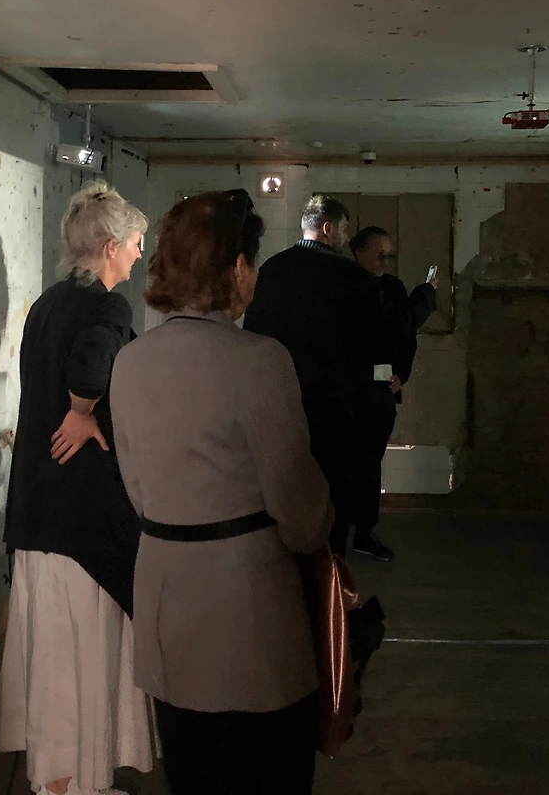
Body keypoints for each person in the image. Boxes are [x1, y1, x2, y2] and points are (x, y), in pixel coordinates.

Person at [110, 190, 334, 795]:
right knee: (266, 773)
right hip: (246, 610)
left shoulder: (130, 361)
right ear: (236, 268)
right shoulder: (259, 360)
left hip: (164, 593)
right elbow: (300, 511)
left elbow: (137, 490)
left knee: (192, 771)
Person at [0, 181, 156, 795]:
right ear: (111, 247)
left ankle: (63, 782)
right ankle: (70, 786)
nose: (139, 254)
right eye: (136, 243)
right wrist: (83, 411)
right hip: (81, 515)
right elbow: (90, 366)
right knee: (81, 652)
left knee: (52, 655)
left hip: (36, 508)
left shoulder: (48, 303)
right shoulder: (108, 308)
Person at [243, 195, 391, 557]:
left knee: (283, 489)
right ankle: (328, 569)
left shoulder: (272, 270)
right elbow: (374, 344)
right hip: (336, 408)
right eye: (344, 229)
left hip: (279, 403)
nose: (346, 237)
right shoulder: (353, 278)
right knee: (331, 494)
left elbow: (253, 335)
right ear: (328, 228)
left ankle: (283, 565)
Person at [349, 226, 439, 561]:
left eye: (388, 254)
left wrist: (402, 373)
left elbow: (404, 336)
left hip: (379, 389)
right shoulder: (344, 286)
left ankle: (363, 530)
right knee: (343, 460)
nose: (384, 260)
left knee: (371, 462)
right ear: (358, 251)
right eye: (378, 253)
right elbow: (394, 324)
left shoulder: (391, 286)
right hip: (346, 389)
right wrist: (424, 297)